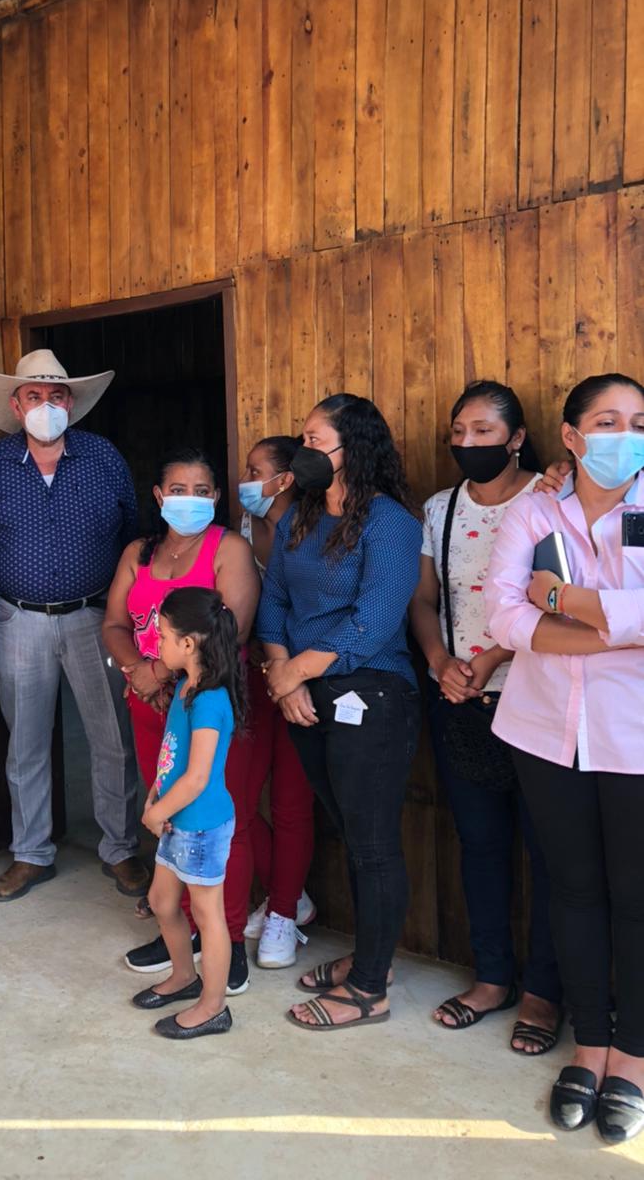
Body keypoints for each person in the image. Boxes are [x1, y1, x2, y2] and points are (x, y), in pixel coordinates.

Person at [486, 372, 644, 1144]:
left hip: (635, 736)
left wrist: (563, 600)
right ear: (574, 437)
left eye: (639, 422)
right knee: (573, 892)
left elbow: (535, 606)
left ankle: (634, 1058)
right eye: (609, 422)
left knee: (638, 897)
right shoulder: (535, 508)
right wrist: (614, 635)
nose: (627, 436)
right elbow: (500, 613)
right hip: (546, 732)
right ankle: (591, 1045)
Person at [257, 393, 422, 1032]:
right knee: (354, 836)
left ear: (354, 448)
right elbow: (273, 600)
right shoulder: (299, 516)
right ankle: (370, 959)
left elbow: (374, 621)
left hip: (371, 693)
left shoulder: (390, 522)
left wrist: (295, 672)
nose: (303, 450)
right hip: (304, 692)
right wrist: (283, 677)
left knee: (372, 843)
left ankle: (369, 989)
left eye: (315, 440)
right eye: (302, 438)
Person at [409, 381, 562, 1054]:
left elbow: (551, 599)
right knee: (481, 846)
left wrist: (489, 658)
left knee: (551, 855)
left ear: (517, 438)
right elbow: (424, 599)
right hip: (459, 700)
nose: (467, 443)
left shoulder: (549, 499)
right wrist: (441, 660)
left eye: (483, 431)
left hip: (535, 697)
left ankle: (545, 992)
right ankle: (493, 977)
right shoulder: (440, 509)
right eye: (458, 431)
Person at [0, 350, 148, 904]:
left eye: (57, 395)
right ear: (16, 406)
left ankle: (120, 848)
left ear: (72, 402)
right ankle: (31, 853)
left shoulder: (102, 457)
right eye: (35, 396)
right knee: (26, 741)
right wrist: (16, 579)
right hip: (19, 617)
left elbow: (132, 531)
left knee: (112, 739)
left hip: (98, 617)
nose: (47, 404)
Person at [102, 448, 260, 992]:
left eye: (200, 491)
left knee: (220, 818)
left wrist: (160, 674)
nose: (188, 499)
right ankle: (183, 932)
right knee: (167, 808)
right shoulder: (138, 552)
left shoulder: (228, 548)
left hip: (205, 703)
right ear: (158, 496)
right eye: (177, 489)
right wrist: (138, 671)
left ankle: (227, 939)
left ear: (215, 497)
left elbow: (232, 629)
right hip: (149, 703)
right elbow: (114, 624)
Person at [131, 587, 247, 1039]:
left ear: (188, 643)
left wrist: (157, 811)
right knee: (163, 902)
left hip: (200, 826)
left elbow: (198, 777)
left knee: (207, 914)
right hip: (176, 819)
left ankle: (214, 1007)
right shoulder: (186, 686)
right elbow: (172, 755)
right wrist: (155, 797)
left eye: (161, 636)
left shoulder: (210, 700)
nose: (155, 644)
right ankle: (184, 976)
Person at [238, 436, 317, 967]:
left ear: (284, 479)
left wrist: (293, 676)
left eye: (254, 470)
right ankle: (289, 893)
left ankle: (284, 913)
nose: (244, 480)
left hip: (302, 681)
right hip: (251, 674)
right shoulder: (244, 530)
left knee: (291, 802)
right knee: (237, 800)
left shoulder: (316, 529)